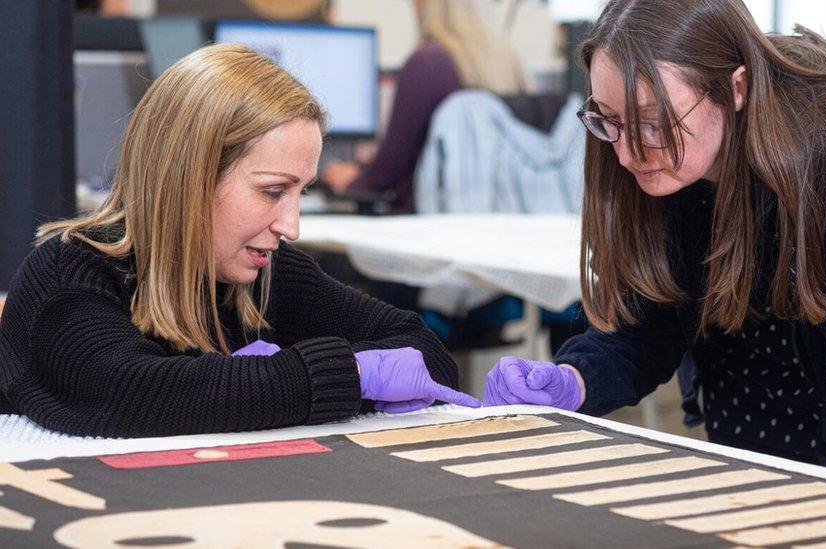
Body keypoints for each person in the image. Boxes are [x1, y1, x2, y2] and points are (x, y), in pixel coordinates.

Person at [482, 0, 826, 497]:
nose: (630, 153)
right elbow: (646, 324)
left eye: (656, 122)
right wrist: (574, 377)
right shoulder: (645, 145)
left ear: (736, 88)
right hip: (754, 426)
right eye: (609, 120)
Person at [0, 43, 479, 438]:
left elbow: (423, 349)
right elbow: (126, 392)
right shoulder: (68, 273)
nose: (290, 226)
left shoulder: (268, 275)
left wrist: (277, 382)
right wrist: (347, 375)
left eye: (300, 192)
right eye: (272, 191)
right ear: (189, 177)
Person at [320, 0, 527, 213]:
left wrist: (353, 180)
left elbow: (390, 170)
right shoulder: (510, 63)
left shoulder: (427, 62)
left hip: (427, 219)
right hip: (494, 216)